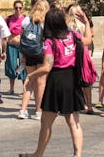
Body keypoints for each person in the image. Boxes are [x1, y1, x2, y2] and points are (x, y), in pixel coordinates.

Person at [22, 9, 85, 157]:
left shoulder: (50, 42)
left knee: (46, 122)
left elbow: (46, 67)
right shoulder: (73, 35)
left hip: (56, 80)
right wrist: (86, 21)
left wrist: (31, 75)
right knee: (73, 121)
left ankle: (38, 153)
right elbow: (88, 39)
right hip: (72, 78)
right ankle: (78, 154)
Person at [19, 0, 49, 120]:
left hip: (29, 53)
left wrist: (23, 55)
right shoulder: (46, 21)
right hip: (42, 53)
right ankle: (38, 111)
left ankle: (23, 110)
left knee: (29, 80)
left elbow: (22, 38)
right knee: (41, 83)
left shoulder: (27, 20)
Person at [5, 0, 27, 96]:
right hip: (11, 45)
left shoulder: (26, 19)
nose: (18, 9)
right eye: (16, 8)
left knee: (23, 66)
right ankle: (11, 88)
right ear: (13, 8)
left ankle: (24, 88)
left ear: (22, 8)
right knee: (11, 66)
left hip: (22, 46)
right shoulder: (9, 19)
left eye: (20, 8)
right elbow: (3, 33)